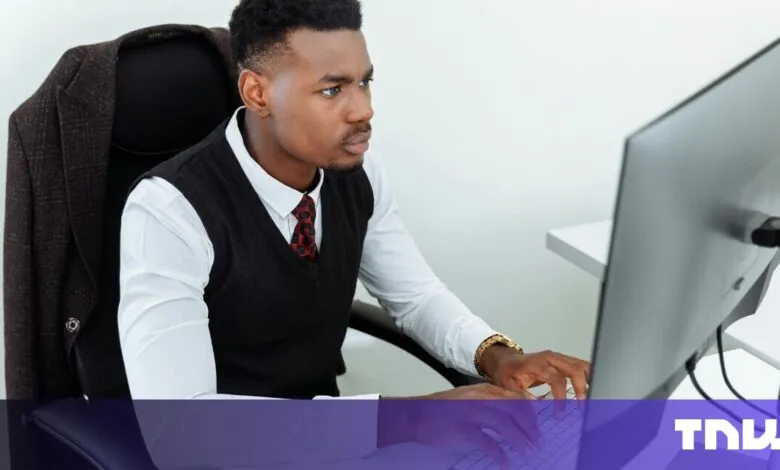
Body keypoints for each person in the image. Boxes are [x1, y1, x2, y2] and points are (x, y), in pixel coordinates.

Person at [117, 0, 590, 463]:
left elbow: (416, 296)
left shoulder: (355, 172)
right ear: (257, 93)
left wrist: (499, 357)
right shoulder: (169, 212)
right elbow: (179, 431)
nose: (363, 110)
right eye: (332, 90)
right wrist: (408, 419)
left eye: (365, 82)